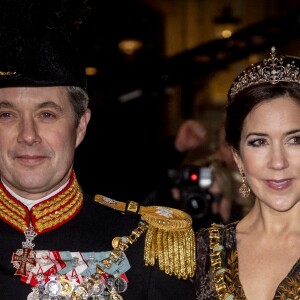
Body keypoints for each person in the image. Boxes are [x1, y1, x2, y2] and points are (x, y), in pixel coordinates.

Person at [0, 1, 196, 299]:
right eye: (6, 115)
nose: (28, 136)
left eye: (47, 114)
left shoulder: (145, 245)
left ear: (80, 126)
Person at [195, 46, 300, 299]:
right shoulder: (197, 252)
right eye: (259, 142)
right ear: (238, 157)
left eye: (295, 140)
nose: (278, 162)